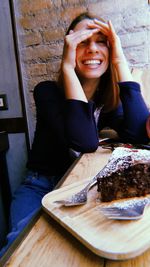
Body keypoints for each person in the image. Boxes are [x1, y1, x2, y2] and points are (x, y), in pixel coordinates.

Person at [0, 12, 149, 257]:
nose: (92, 48)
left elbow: (139, 134)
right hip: (41, 185)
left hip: (80, 186)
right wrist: (67, 67)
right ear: (70, 49)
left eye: (101, 41)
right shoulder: (47, 91)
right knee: (20, 245)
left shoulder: (107, 101)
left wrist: (120, 60)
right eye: (82, 41)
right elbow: (85, 141)